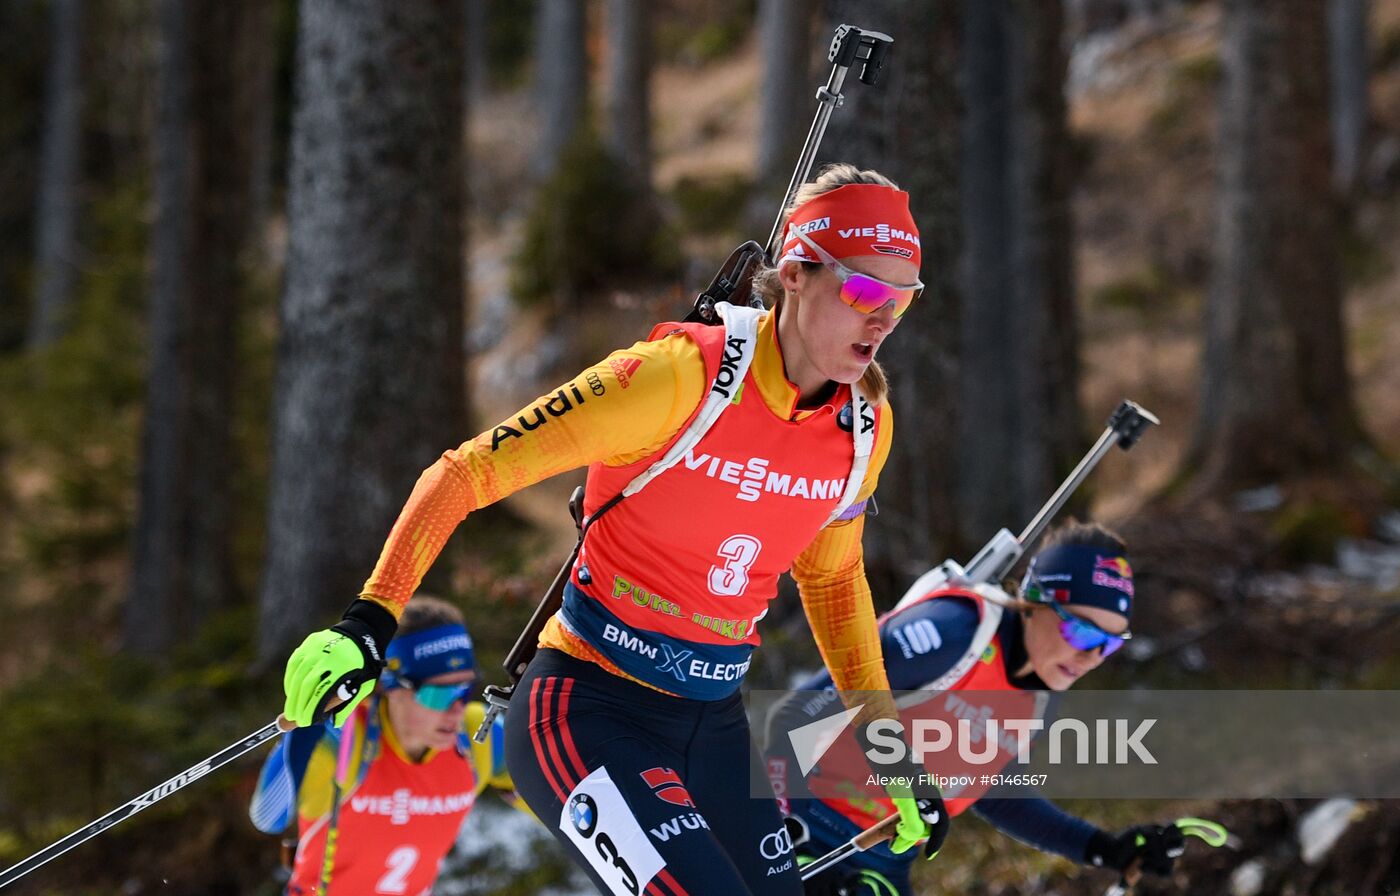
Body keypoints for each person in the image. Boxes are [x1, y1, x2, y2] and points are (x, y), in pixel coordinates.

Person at [278, 163, 946, 895]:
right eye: (865, 291)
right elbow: (466, 472)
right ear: (795, 272)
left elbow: (832, 579)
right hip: (587, 711)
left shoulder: (862, 430)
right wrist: (369, 618)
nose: (883, 320)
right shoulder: (677, 378)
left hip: (712, 728)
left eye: (902, 301)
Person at [766, 521, 1187, 896]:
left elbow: (994, 793)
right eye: (1079, 631)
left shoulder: (1040, 697)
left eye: (1109, 645)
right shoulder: (952, 633)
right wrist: (784, 846)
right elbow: (795, 718)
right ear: (1035, 601)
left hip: (885, 861)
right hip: (805, 826)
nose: (1090, 656)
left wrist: (1103, 848)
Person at [254, 596, 518, 895]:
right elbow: (269, 817)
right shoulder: (346, 738)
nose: (457, 709)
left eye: (466, 689)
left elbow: (560, 806)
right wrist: (308, 725)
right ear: (393, 686)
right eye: (439, 695)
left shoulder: (478, 736)